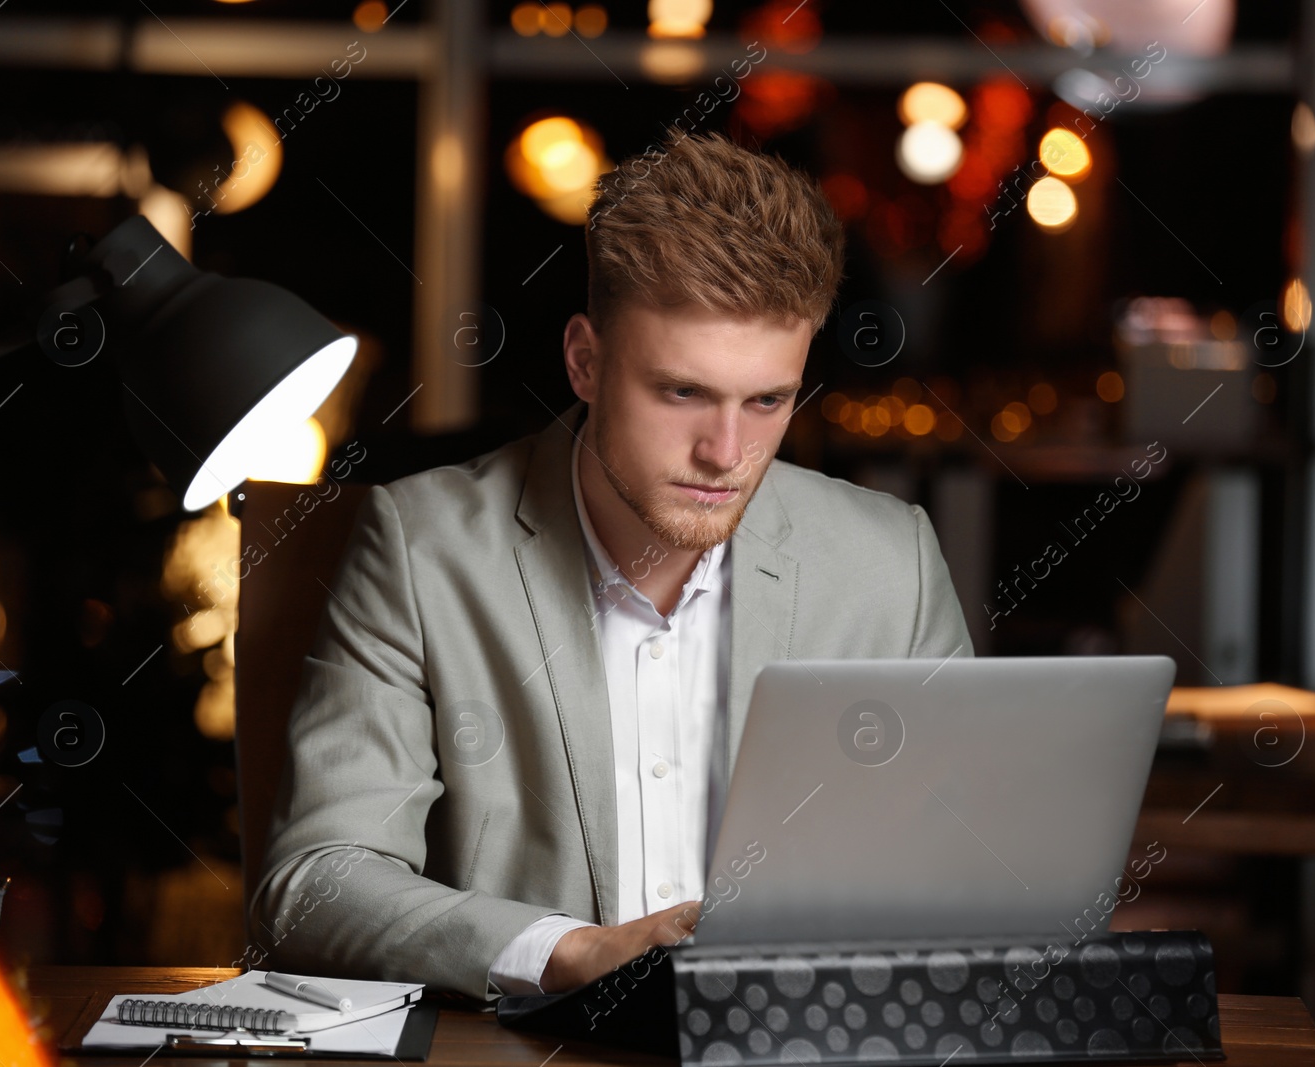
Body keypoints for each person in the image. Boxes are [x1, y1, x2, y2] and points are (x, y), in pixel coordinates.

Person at [250, 130, 973, 1001]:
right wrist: (566, 952)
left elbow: (966, 870)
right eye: (682, 392)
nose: (727, 452)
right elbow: (314, 884)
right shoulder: (421, 544)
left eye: (768, 400)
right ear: (585, 360)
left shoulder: (892, 563)